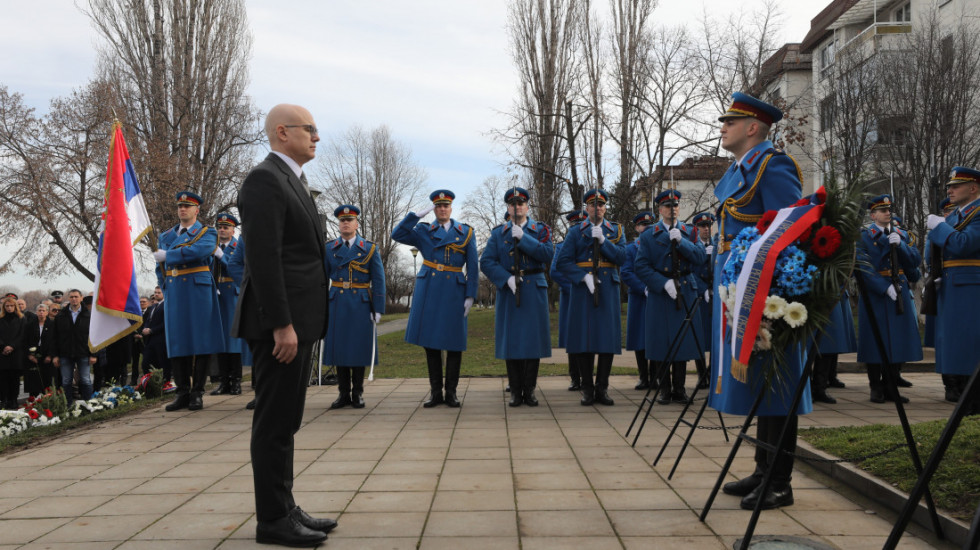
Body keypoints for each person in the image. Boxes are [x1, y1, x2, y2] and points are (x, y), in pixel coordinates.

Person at [233, 104, 335, 546]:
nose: (316, 137)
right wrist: (281, 325)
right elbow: (264, 259)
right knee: (274, 423)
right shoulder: (264, 179)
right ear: (281, 132)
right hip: (281, 327)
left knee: (286, 421)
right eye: (309, 129)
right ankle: (272, 521)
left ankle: (285, 507)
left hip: (300, 321)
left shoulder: (292, 179)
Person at [711, 93, 808, 510]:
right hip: (739, 285)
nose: (722, 128)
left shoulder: (773, 165)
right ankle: (762, 467)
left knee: (777, 382)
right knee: (759, 382)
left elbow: (789, 230)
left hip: (765, 292)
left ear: (753, 127)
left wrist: (776, 295)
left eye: (730, 122)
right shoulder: (742, 168)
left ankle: (780, 481)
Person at [392, 189, 478, 408]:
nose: (442, 209)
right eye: (438, 206)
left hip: (454, 291)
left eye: (446, 206)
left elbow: (473, 267)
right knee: (430, 344)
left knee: (454, 344)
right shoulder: (423, 230)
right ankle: (435, 393)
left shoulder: (466, 232)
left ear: (451, 208)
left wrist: (470, 294)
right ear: (434, 209)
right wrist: (415, 216)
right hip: (429, 289)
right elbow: (397, 234)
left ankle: (451, 393)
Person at [480, 187, 554, 407]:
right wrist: (505, 279)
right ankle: (515, 390)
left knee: (532, 342)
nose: (517, 207)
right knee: (511, 341)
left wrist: (524, 239)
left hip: (533, 289)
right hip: (509, 290)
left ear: (527, 206)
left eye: (521, 203)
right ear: (508, 208)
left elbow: (547, 254)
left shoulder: (540, 230)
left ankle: (529, 390)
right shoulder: (497, 233)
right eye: (512, 204)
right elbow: (486, 262)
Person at [153, 190, 224, 412]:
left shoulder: (207, 232)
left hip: (197, 289)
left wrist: (170, 256)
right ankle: (182, 392)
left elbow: (200, 250)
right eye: (180, 206)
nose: (182, 209)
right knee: (178, 341)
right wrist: (165, 287)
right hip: (175, 290)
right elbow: (160, 268)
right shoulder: (165, 236)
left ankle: (197, 392)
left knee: (201, 341)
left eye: (187, 206)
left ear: (197, 210)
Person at [555, 188, 626, 406]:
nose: (598, 209)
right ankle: (587, 388)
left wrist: (605, 241)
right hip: (583, 290)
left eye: (602, 205)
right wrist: (582, 276)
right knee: (583, 340)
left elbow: (623, 257)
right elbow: (563, 262)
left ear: (605, 208)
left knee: (606, 340)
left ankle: (602, 388)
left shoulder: (616, 231)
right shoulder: (576, 232)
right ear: (587, 208)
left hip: (607, 290)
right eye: (594, 205)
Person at [634, 191, 706, 405]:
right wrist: (661, 282)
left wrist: (682, 243)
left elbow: (701, 258)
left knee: (683, 341)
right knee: (662, 342)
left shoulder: (690, 232)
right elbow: (641, 265)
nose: (672, 209)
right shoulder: (648, 235)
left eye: (675, 205)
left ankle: (680, 389)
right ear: (660, 209)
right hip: (662, 292)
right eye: (667, 205)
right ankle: (665, 390)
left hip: (685, 289)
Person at [855, 194, 922, 404]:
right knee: (875, 342)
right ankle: (876, 387)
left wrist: (900, 244)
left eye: (888, 210)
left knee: (897, 342)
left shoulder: (900, 234)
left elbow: (914, 262)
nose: (887, 213)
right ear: (873, 215)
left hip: (899, 290)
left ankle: (891, 386)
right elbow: (863, 267)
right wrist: (884, 288)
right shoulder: (864, 236)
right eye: (882, 210)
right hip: (876, 294)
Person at [926, 166, 980, 414]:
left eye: (956, 185)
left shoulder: (978, 213)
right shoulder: (956, 216)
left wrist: (939, 227)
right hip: (952, 285)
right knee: (956, 349)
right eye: (949, 186)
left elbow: (964, 245)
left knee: (968, 348)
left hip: (970, 288)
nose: (950, 190)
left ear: (974, 187)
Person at [322, 205, 385, 410]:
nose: (346, 223)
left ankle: (357, 393)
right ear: (339, 225)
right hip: (337, 302)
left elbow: (378, 279)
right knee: (340, 348)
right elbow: (322, 279)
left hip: (360, 302)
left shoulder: (369, 248)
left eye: (350, 220)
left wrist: (378, 308)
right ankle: (343, 394)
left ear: (357, 224)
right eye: (342, 220)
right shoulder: (329, 248)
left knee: (358, 348)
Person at [550, 210, 588, 391]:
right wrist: (574, 285)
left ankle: (588, 378)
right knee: (573, 338)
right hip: (571, 296)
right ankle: (575, 377)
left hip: (589, 296)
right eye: (575, 224)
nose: (578, 227)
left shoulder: (590, 244)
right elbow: (555, 271)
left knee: (588, 336)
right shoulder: (561, 246)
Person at [210, 212, 245, 396]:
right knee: (220, 341)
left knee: (234, 342)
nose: (222, 230)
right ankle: (223, 381)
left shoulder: (237, 246)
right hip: (217, 295)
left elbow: (235, 265)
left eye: (226, 227)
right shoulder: (211, 246)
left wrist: (221, 255)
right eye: (220, 227)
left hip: (232, 295)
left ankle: (236, 381)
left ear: (233, 230)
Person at [621, 211, 655, 391]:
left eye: (649, 225)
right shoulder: (630, 249)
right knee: (640, 339)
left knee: (655, 338)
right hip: (639, 298)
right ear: (636, 228)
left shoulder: (657, 245)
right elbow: (626, 272)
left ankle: (655, 377)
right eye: (642, 225)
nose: (646, 228)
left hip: (656, 297)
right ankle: (644, 377)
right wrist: (644, 288)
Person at [51, 289, 97, 404]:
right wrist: (55, 355)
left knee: (86, 380)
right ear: (68, 298)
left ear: (81, 298)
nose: (74, 299)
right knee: (66, 381)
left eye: (76, 296)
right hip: (65, 353)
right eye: (71, 297)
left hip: (83, 352)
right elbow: (55, 337)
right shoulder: (61, 315)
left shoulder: (89, 315)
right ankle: (68, 406)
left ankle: (89, 404)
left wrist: (93, 354)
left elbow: (94, 336)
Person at [811, 291, 856, 405]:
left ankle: (819, 388)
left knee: (828, 345)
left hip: (832, 294)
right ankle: (806, 389)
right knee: (807, 348)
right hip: (810, 293)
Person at [692, 211, 716, 389]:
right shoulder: (693, 247)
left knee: (715, 337)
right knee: (699, 337)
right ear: (697, 228)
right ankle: (701, 374)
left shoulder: (718, 245)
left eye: (708, 226)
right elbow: (691, 271)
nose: (706, 229)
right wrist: (703, 290)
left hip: (716, 294)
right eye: (702, 226)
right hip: (700, 297)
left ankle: (712, 371)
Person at [23, 303, 55, 396]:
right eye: (39, 311)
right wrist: (29, 355)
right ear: (36, 312)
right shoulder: (29, 325)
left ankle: (47, 400)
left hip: (47, 354)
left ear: (47, 312)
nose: (41, 313)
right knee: (33, 379)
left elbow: (54, 341)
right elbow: (25, 341)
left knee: (47, 379)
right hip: (33, 355)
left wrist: (50, 355)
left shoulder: (52, 324)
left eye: (43, 311)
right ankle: (33, 400)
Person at [141, 287, 171, 382]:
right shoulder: (153, 307)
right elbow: (148, 320)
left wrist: (152, 330)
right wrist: (145, 328)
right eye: (155, 292)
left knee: (163, 363)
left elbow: (166, 323)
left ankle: (166, 383)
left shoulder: (166, 305)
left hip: (161, 339)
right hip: (150, 340)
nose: (156, 294)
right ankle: (149, 383)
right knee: (146, 363)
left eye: (159, 292)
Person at [0, 296, 24, 409]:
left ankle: (13, 399)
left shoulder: (21, 318)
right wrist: (4, 346)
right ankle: (4, 399)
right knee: (3, 378)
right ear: (4, 307)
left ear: (15, 307)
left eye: (11, 306)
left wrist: (12, 346)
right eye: (7, 306)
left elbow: (22, 335)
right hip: (2, 353)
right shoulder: (0, 318)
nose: (9, 308)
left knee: (14, 378)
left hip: (16, 352)